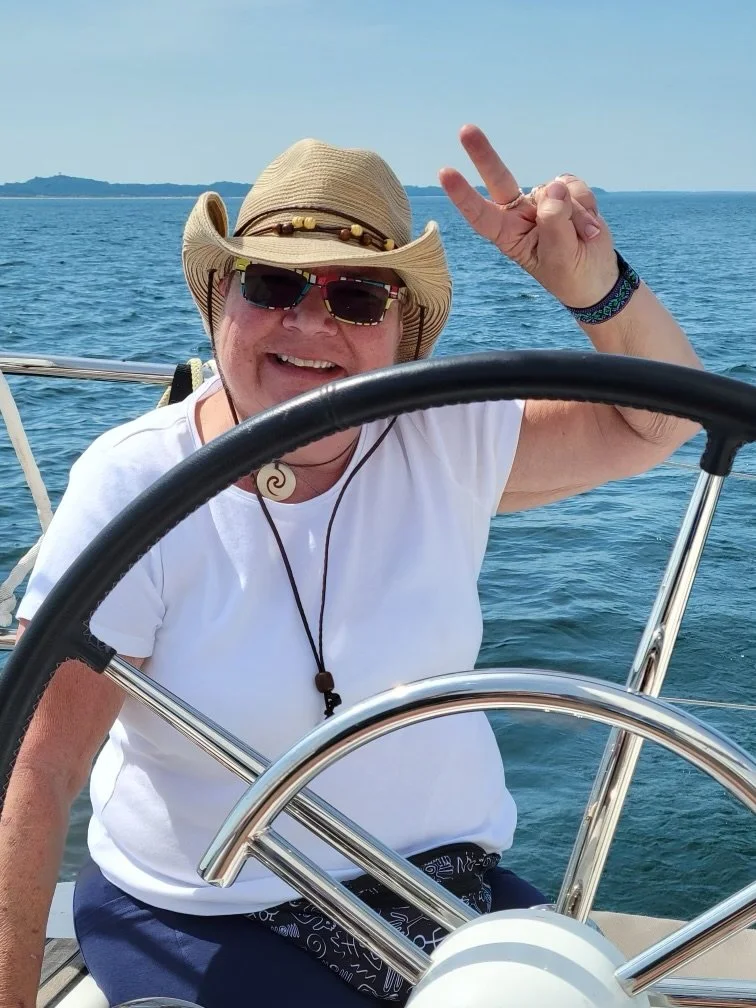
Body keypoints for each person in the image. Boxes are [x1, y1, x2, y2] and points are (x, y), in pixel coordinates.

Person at [0, 125, 701, 1008]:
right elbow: (38, 769)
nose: (307, 321)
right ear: (221, 298)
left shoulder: (443, 437)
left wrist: (596, 290)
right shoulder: (136, 484)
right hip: (208, 910)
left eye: (358, 296)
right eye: (272, 284)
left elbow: (659, 422)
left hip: (441, 892)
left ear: (403, 331)